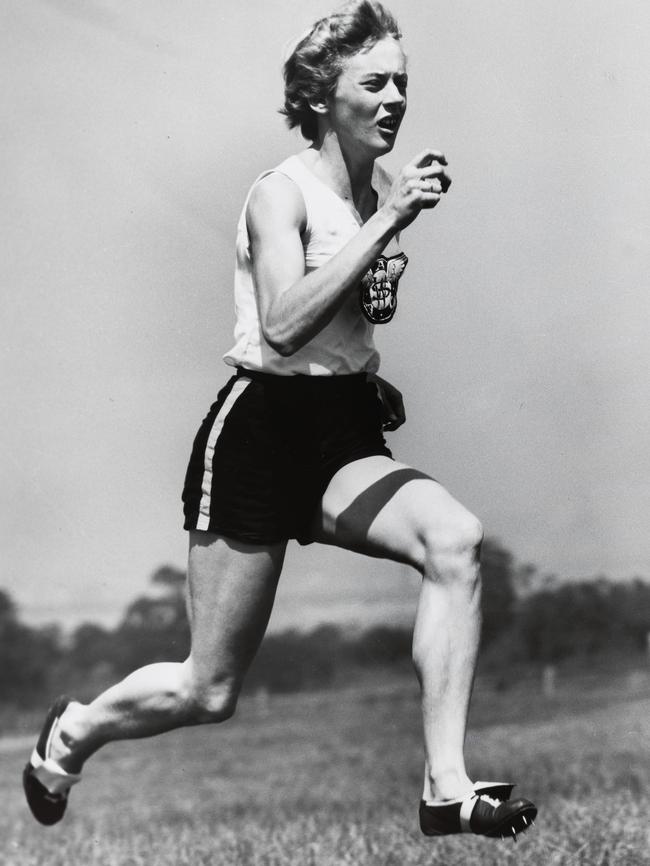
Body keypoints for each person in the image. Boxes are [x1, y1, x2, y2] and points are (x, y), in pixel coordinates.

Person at [23, 0, 537, 841]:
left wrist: (364, 379)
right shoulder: (280, 194)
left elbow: (334, 334)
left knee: (455, 540)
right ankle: (73, 731)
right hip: (258, 437)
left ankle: (445, 785)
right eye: (374, 82)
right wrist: (390, 221)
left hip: (340, 436)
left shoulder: (372, 195)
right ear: (323, 96)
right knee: (210, 690)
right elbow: (284, 326)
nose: (397, 98)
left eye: (403, 81)